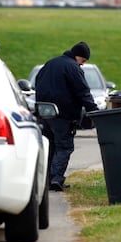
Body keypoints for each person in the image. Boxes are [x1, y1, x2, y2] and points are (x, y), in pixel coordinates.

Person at [34, 41, 98, 191]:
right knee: (64, 146)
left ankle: (46, 179)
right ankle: (56, 178)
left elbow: (38, 83)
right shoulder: (72, 67)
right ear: (79, 56)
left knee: (49, 146)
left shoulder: (50, 63)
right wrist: (93, 109)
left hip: (44, 114)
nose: (82, 65)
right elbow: (82, 91)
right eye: (83, 61)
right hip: (62, 115)